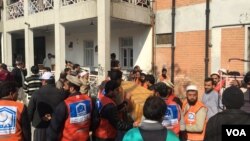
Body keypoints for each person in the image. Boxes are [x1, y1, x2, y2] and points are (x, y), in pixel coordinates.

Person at [47, 75, 92, 141]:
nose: (63, 87)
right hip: (85, 138)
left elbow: (54, 129)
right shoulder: (89, 100)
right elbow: (95, 120)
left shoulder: (64, 104)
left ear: (72, 88)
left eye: (65, 86)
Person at [28, 72, 66, 141]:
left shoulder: (36, 93)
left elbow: (30, 112)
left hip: (40, 126)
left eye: (42, 80)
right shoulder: (61, 93)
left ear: (44, 81)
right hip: (56, 126)